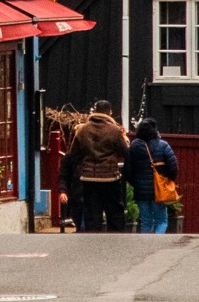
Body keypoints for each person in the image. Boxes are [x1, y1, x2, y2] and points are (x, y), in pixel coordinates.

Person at [64, 100, 128, 232]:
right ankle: (115, 237)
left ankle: (93, 238)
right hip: (110, 177)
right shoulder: (115, 130)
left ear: (94, 111)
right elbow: (124, 151)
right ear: (110, 112)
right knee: (114, 210)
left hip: (89, 178)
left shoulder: (83, 130)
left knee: (92, 211)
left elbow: (74, 155)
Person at [124, 118, 179, 233]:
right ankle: (157, 244)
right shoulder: (163, 146)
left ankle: (146, 246)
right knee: (161, 220)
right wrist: (169, 180)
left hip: (141, 190)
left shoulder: (133, 147)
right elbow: (173, 167)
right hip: (159, 190)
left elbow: (127, 170)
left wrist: (136, 183)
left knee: (146, 221)